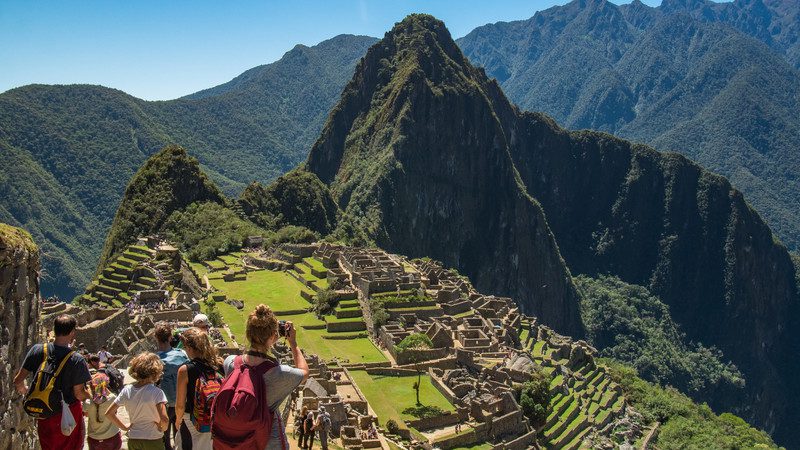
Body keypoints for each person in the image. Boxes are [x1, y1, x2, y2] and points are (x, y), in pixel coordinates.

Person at [222, 304, 309, 449]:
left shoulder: (230, 363)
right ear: (272, 335)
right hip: (268, 440)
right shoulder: (278, 373)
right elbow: (304, 371)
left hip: (236, 440)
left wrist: (268, 339)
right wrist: (293, 342)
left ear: (248, 333)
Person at [13, 314, 91, 450]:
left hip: (44, 411)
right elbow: (79, 394)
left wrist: (26, 391)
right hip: (68, 413)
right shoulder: (77, 359)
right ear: (72, 332)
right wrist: (90, 395)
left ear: (54, 330)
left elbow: (18, 380)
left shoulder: (37, 350)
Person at [106, 352, 169, 450]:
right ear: (155, 372)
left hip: (134, 439)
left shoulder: (127, 390)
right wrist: (162, 428)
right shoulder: (157, 393)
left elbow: (109, 413)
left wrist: (124, 427)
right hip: (153, 439)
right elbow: (164, 419)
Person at [175, 327, 223, 450]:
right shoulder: (218, 366)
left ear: (190, 348)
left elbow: (180, 405)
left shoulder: (185, 370)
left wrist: (178, 420)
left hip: (192, 419)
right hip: (215, 419)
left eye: (185, 348)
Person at [155, 322, 189, 450]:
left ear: (156, 338)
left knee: (164, 436)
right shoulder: (181, 355)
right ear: (170, 337)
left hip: (164, 403)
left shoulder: (155, 360)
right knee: (178, 434)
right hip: (181, 401)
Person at [84, 368, 121, 450]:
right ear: (106, 385)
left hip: (94, 439)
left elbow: (86, 414)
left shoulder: (87, 402)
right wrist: (104, 388)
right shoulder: (112, 399)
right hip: (111, 437)